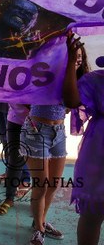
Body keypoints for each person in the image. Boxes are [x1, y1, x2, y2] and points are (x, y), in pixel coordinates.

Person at [63, 32, 104, 245]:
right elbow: (72, 101)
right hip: (98, 158)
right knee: (92, 215)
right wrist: (71, 63)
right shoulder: (97, 80)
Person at [23, 92, 69, 243]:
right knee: (41, 185)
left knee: (53, 184)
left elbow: (70, 105)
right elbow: (20, 94)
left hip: (59, 131)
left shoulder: (76, 75)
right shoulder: (41, 69)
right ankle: (38, 229)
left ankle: (40, 221)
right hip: (36, 130)